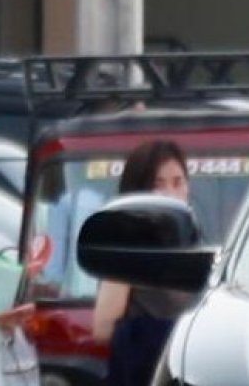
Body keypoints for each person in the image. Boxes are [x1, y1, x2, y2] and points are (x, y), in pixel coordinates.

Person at [92, 141, 194, 386]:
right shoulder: (128, 246)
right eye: (158, 185)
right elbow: (103, 328)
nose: (170, 193)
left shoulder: (195, 239)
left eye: (178, 182)